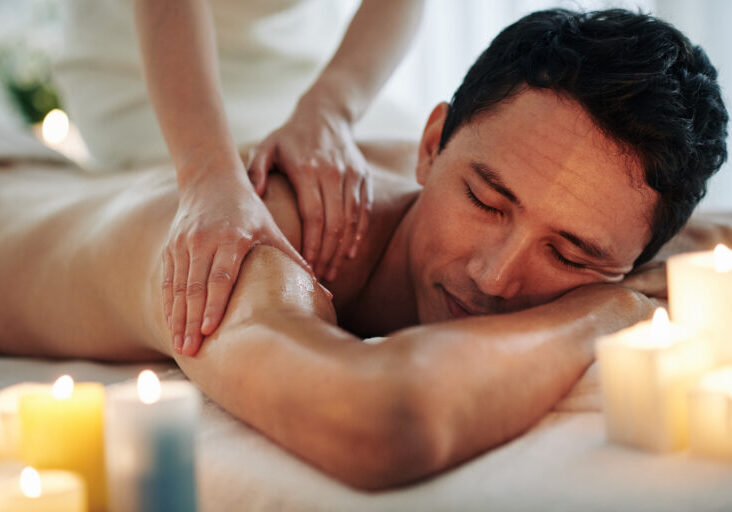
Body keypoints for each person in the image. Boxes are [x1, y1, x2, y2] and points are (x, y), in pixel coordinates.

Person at [1, 9, 728, 489]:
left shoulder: (509, 179)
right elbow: (380, 420)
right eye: (484, 200)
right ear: (430, 146)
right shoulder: (256, 243)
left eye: (571, 255)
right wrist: (607, 309)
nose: (495, 277)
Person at [55, 0, 425, 355]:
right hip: (143, 58)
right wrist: (206, 173)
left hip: (300, 58)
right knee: (239, 217)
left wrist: (329, 110)